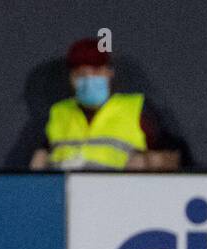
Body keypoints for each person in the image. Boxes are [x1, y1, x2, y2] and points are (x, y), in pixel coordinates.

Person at [31, 37, 179, 170]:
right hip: (65, 195)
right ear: (70, 77)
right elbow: (40, 160)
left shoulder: (136, 109)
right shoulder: (58, 113)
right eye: (81, 74)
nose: (89, 80)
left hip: (118, 195)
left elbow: (173, 157)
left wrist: (148, 162)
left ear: (109, 72)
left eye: (96, 71)